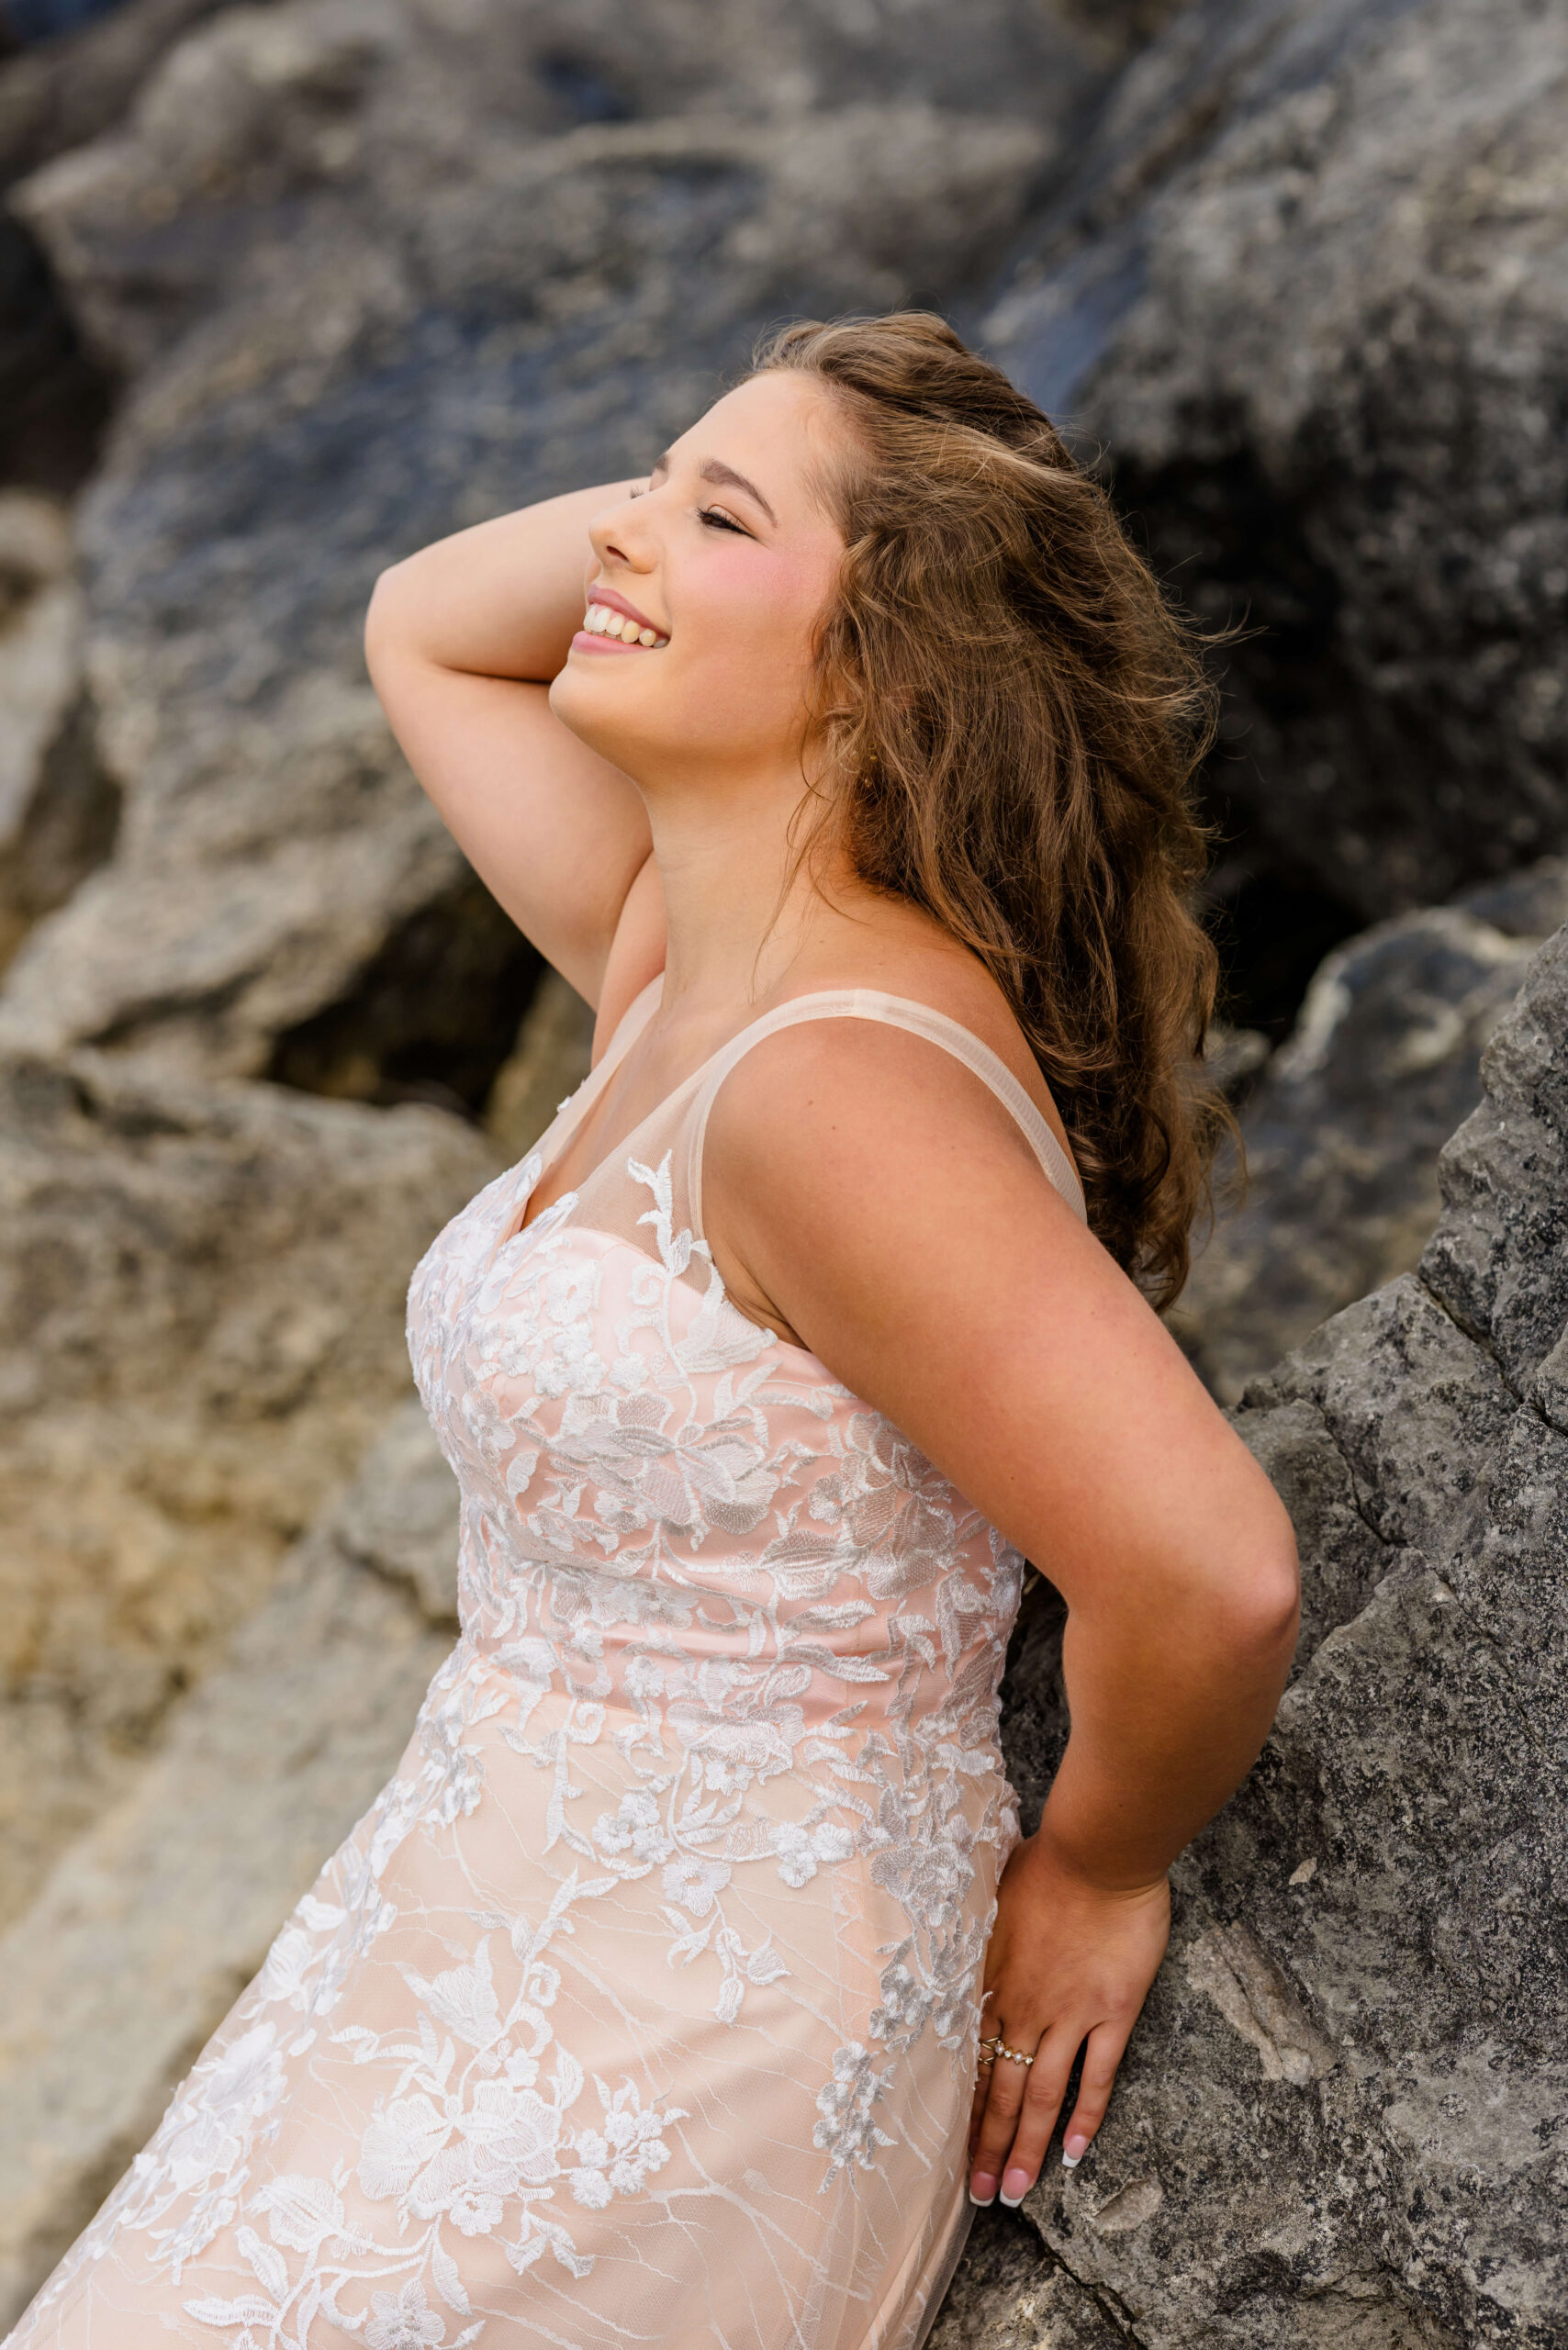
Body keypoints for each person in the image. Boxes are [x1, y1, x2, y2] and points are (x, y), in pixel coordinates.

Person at [6, 313, 1298, 2350]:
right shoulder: (665, 955)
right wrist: (723, 485)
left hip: (698, 2028)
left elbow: (1209, 1569)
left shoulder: (830, 1093)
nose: (617, 542)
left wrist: (1096, 1861)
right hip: (457, 1926)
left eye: (708, 518)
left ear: (881, 661)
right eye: (640, 486)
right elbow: (423, 621)